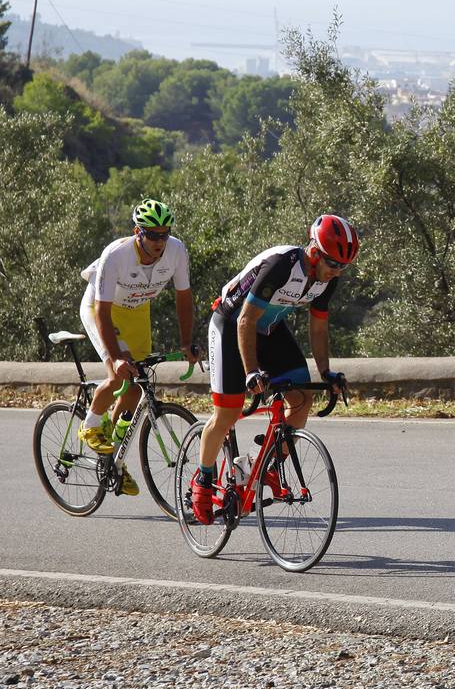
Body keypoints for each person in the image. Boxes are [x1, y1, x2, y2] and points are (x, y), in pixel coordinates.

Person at [190, 214, 359, 525]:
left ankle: (263, 466)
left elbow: (319, 327)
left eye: (343, 266)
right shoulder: (283, 265)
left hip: (268, 329)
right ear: (314, 252)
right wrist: (252, 372)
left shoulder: (327, 281)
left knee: (303, 398)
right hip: (231, 325)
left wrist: (326, 373)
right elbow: (244, 321)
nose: (337, 271)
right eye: (333, 263)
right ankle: (202, 479)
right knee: (227, 412)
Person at [77, 198, 200, 495]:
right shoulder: (116, 255)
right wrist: (116, 358)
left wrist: (186, 342)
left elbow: (183, 298)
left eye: (165, 233)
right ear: (137, 232)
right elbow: (102, 313)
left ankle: (112, 461)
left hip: (137, 312)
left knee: (136, 387)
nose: (161, 240)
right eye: (153, 234)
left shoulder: (176, 251)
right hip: (101, 309)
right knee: (121, 374)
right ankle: (91, 425)